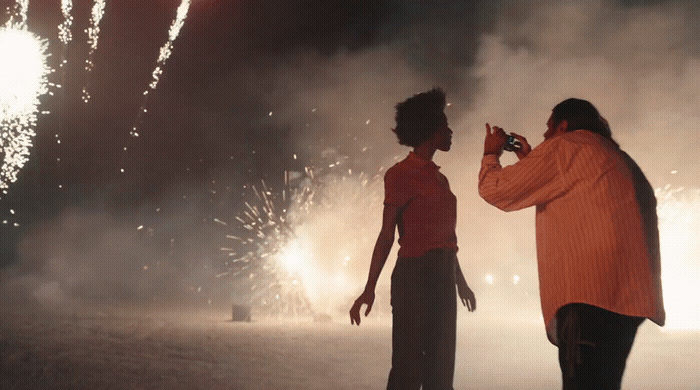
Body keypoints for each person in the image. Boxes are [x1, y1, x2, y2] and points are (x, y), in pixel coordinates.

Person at [478, 98, 665, 390]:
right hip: (631, 301)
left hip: (587, 297)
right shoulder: (617, 157)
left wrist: (491, 153)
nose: (543, 138)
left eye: (548, 129)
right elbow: (573, 189)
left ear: (562, 125)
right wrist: (530, 160)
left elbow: (496, 190)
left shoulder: (565, 147)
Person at [350, 88, 476, 390]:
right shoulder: (401, 174)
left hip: (442, 277)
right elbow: (387, 236)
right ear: (431, 131)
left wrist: (460, 281)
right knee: (408, 370)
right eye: (445, 126)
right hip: (414, 277)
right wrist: (369, 289)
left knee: (441, 371)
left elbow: (445, 239)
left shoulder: (440, 179)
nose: (450, 132)